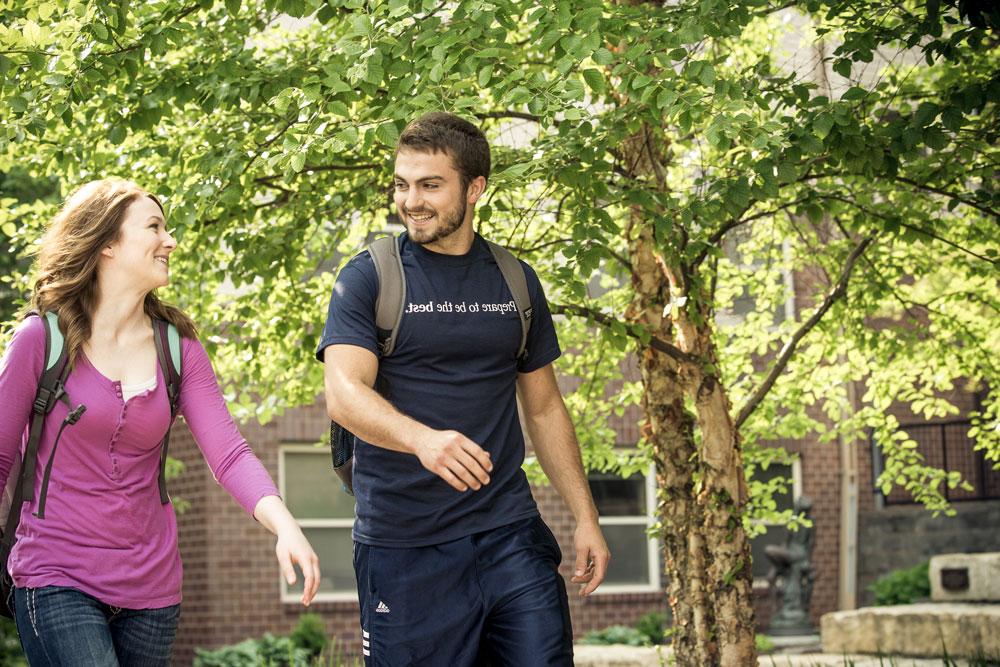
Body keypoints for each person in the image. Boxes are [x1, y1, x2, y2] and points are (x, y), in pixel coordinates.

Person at [318, 112, 610, 666]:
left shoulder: (514, 279)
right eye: (403, 184)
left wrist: (586, 516)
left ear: (475, 188)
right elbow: (344, 393)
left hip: (509, 535)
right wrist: (423, 440)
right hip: (404, 548)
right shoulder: (369, 276)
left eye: (431, 185)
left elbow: (544, 408)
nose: (411, 201)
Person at [0, 178, 320, 665]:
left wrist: (286, 526)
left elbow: (228, 451)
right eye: (154, 227)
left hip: (152, 590)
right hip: (55, 573)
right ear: (107, 243)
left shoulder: (178, 348)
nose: (170, 241)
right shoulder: (40, 341)